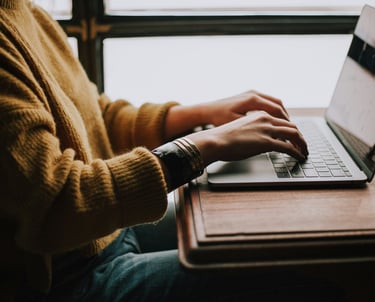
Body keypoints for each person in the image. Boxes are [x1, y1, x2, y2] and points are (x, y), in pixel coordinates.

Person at [0, 1, 345, 301]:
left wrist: (200, 114)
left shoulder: (24, 10)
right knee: (302, 272)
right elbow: (58, 205)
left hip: (101, 233)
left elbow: (92, 116)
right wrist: (203, 146)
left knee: (278, 232)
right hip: (67, 280)